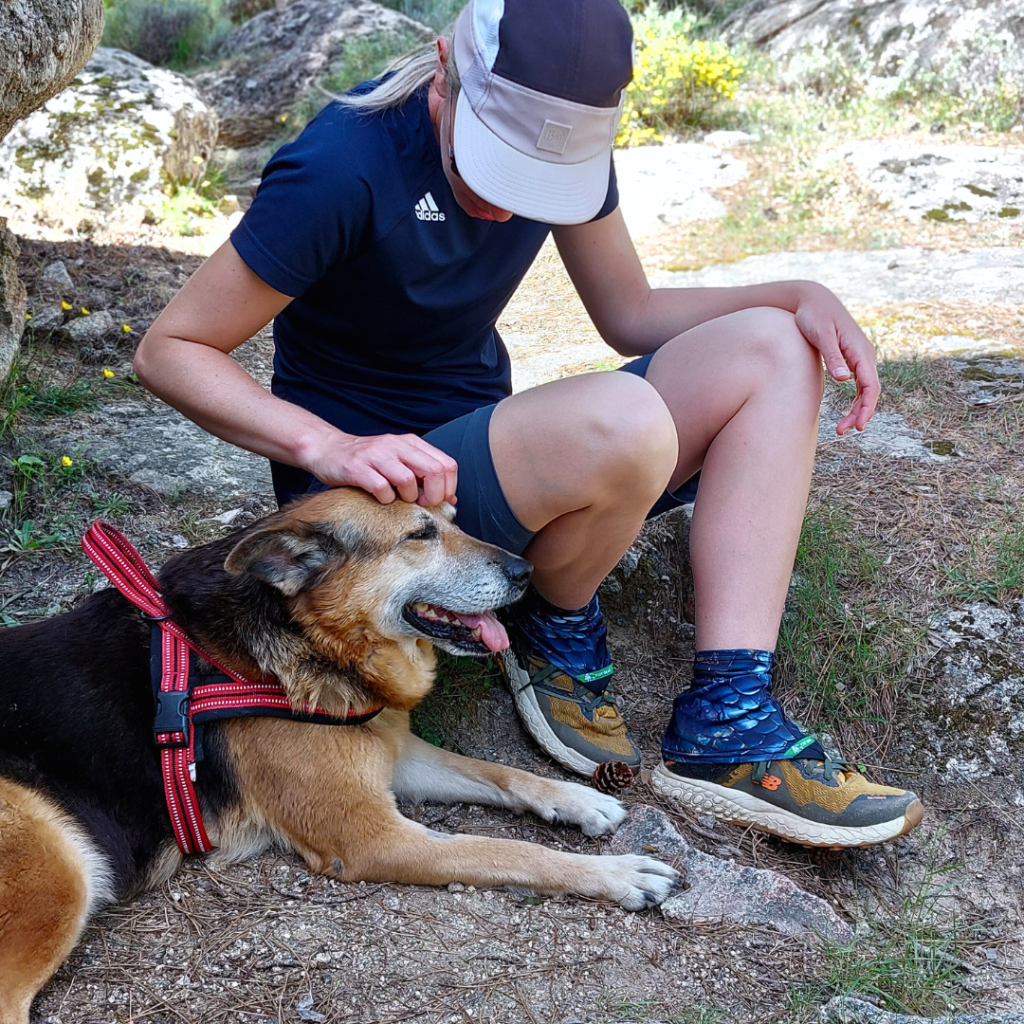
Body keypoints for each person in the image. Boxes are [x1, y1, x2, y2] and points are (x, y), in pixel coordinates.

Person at [134, 0, 923, 849]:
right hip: (376, 497)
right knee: (624, 422)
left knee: (775, 346)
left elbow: (631, 311)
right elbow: (171, 348)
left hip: (488, 451)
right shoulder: (342, 168)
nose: (513, 211)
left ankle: (728, 715)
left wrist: (796, 293)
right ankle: (558, 623)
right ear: (446, 71)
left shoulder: (560, 134)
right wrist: (329, 445)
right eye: (496, 170)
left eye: (540, 184)